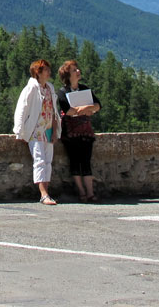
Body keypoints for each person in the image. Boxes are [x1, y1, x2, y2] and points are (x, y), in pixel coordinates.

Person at [13, 59, 62, 205]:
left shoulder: (50, 88)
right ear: (37, 72)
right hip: (35, 130)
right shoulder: (31, 88)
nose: (48, 72)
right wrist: (19, 131)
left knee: (48, 161)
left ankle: (46, 192)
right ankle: (43, 194)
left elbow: (53, 111)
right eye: (45, 69)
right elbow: (22, 109)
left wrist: (54, 131)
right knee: (39, 161)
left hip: (47, 130)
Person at [57, 60, 101, 203]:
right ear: (68, 75)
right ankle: (82, 192)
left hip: (85, 132)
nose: (78, 71)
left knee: (86, 161)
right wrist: (85, 109)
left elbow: (98, 105)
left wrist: (83, 109)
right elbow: (67, 110)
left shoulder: (84, 89)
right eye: (74, 70)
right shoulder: (63, 92)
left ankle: (89, 192)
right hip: (70, 133)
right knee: (75, 162)